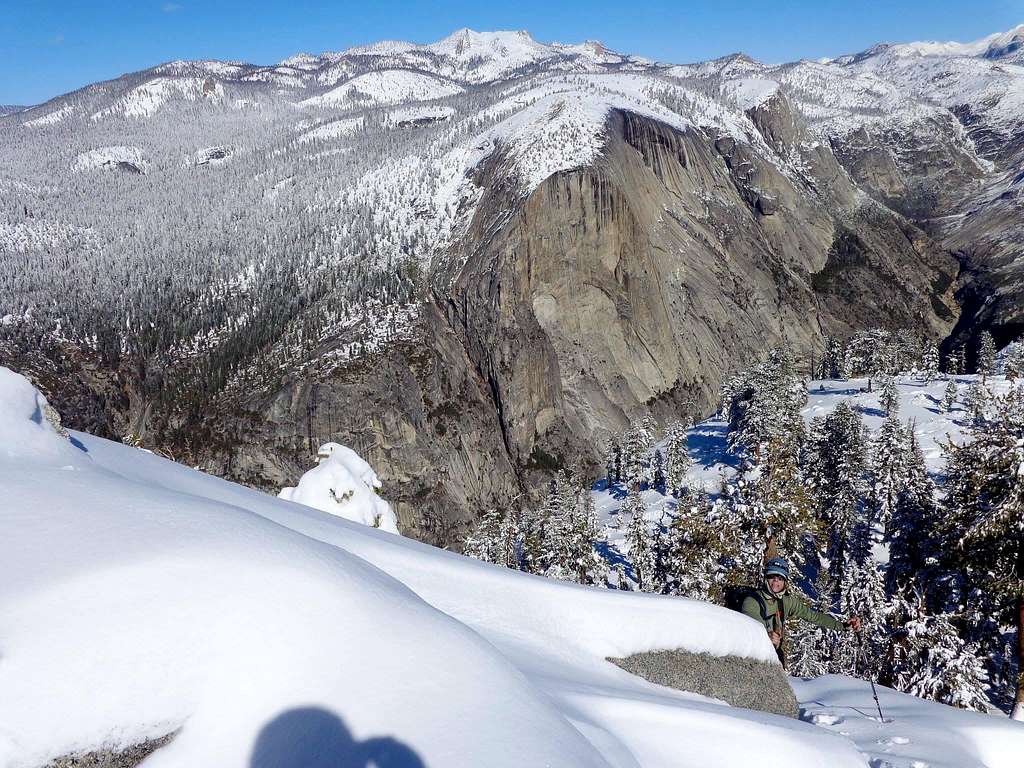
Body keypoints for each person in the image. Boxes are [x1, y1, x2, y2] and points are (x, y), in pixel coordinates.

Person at [741, 557, 861, 666]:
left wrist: (843, 625)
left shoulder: (787, 602)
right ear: (766, 578)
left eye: (780, 578)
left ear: (785, 582)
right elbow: (751, 627)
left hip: (774, 653)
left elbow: (813, 616)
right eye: (772, 577)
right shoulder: (752, 602)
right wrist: (766, 636)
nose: (775, 582)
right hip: (753, 655)